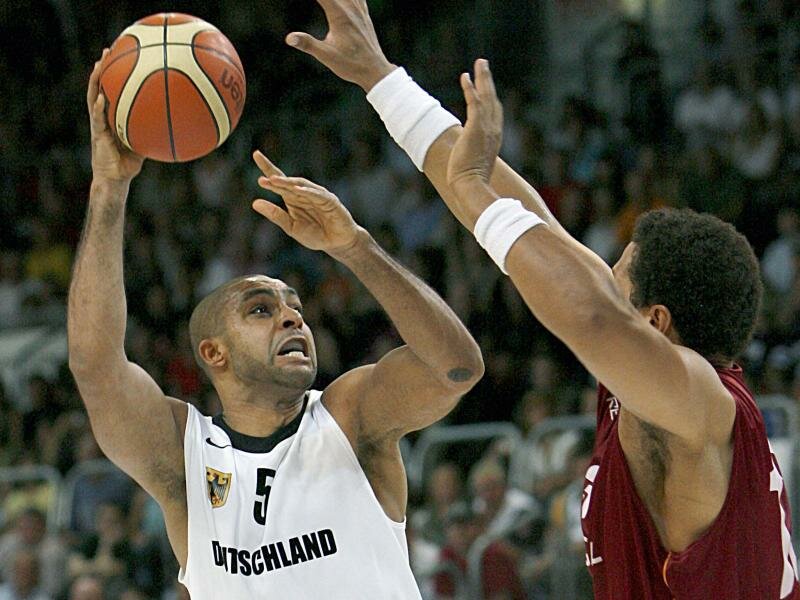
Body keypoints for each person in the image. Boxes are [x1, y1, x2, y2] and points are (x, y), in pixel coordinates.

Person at [287, 1, 800, 597]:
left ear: (655, 322)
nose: (599, 275)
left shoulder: (702, 406)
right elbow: (526, 220)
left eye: (618, 277)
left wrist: (473, 190)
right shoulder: (648, 377)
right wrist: (380, 79)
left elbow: (586, 313)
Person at [68, 50, 483, 599]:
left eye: (295, 308)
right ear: (212, 353)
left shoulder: (348, 418)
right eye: (261, 309)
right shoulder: (184, 456)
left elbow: (455, 368)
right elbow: (96, 365)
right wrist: (108, 188)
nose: (291, 316)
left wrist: (355, 248)